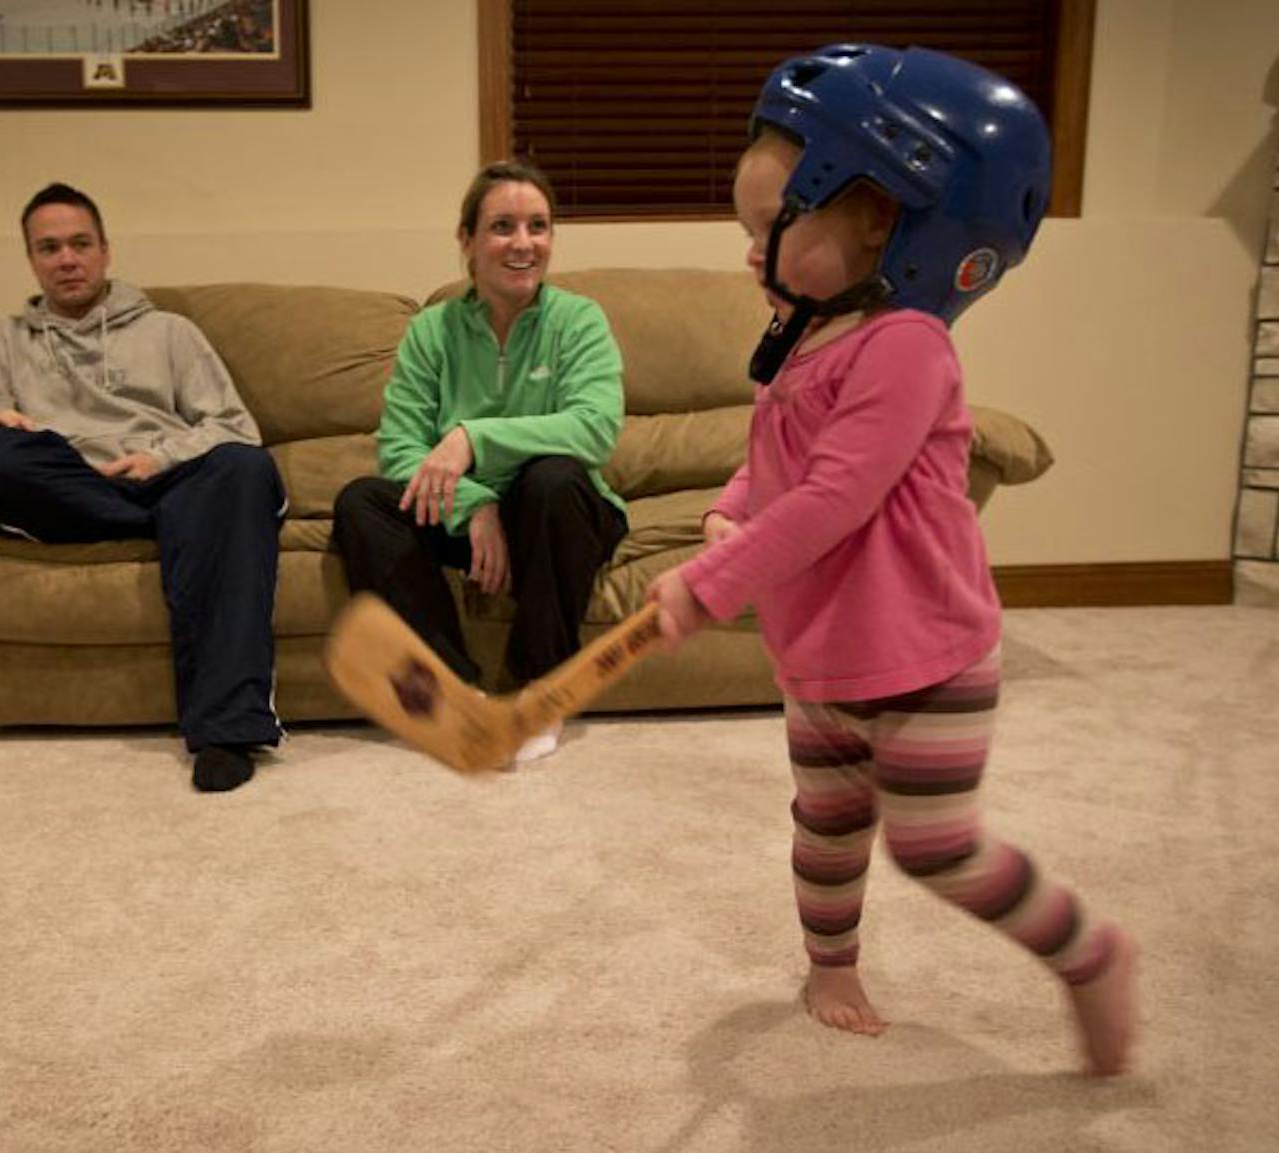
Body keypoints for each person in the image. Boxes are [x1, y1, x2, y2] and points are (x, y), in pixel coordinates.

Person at [646, 46, 1139, 1075]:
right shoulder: (807, 335)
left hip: (925, 657)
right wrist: (731, 512)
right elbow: (778, 466)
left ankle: (1089, 955)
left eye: (771, 227)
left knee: (934, 846)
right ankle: (831, 964)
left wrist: (711, 587)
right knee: (825, 827)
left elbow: (837, 494)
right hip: (821, 652)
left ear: (886, 224)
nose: (749, 254)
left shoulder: (907, 349)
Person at [0, 182, 284, 794]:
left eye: (79, 244)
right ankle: (175, 530)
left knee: (245, 468)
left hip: (167, 481)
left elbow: (233, 425)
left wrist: (158, 459)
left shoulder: (169, 333)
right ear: (32, 260)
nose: (66, 259)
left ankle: (226, 731)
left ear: (105, 251)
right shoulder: (7, 338)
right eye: (49, 248)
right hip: (72, 491)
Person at [331, 161, 627, 765]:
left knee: (554, 477)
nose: (523, 244)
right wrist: (474, 507)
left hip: (555, 516)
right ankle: (455, 687)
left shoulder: (580, 321)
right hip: (465, 515)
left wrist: (473, 438)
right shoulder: (431, 331)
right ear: (467, 241)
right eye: (502, 227)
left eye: (538, 226)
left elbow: (593, 430)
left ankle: (539, 692)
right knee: (361, 501)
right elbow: (400, 447)